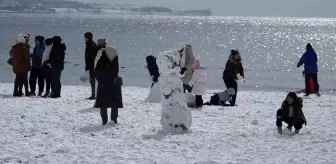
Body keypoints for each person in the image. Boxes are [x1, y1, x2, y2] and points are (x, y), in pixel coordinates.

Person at [94, 39, 123, 125]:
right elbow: (97, 73)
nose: (114, 57)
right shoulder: (101, 61)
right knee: (103, 104)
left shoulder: (115, 61)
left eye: (115, 56)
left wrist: (117, 79)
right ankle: (104, 120)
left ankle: (114, 120)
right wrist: (101, 81)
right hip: (103, 84)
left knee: (115, 103)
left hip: (113, 84)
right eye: (112, 55)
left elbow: (117, 71)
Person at [84, 32, 98, 100]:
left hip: (92, 65)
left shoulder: (90, 44)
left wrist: (88, 65)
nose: (84, 38)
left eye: (85, 37)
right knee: (92, 80)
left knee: (92, 80)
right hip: (92, 64)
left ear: (87, 37)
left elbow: (89, 56)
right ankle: (93, 94)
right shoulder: (92, 43)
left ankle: (93, 95)